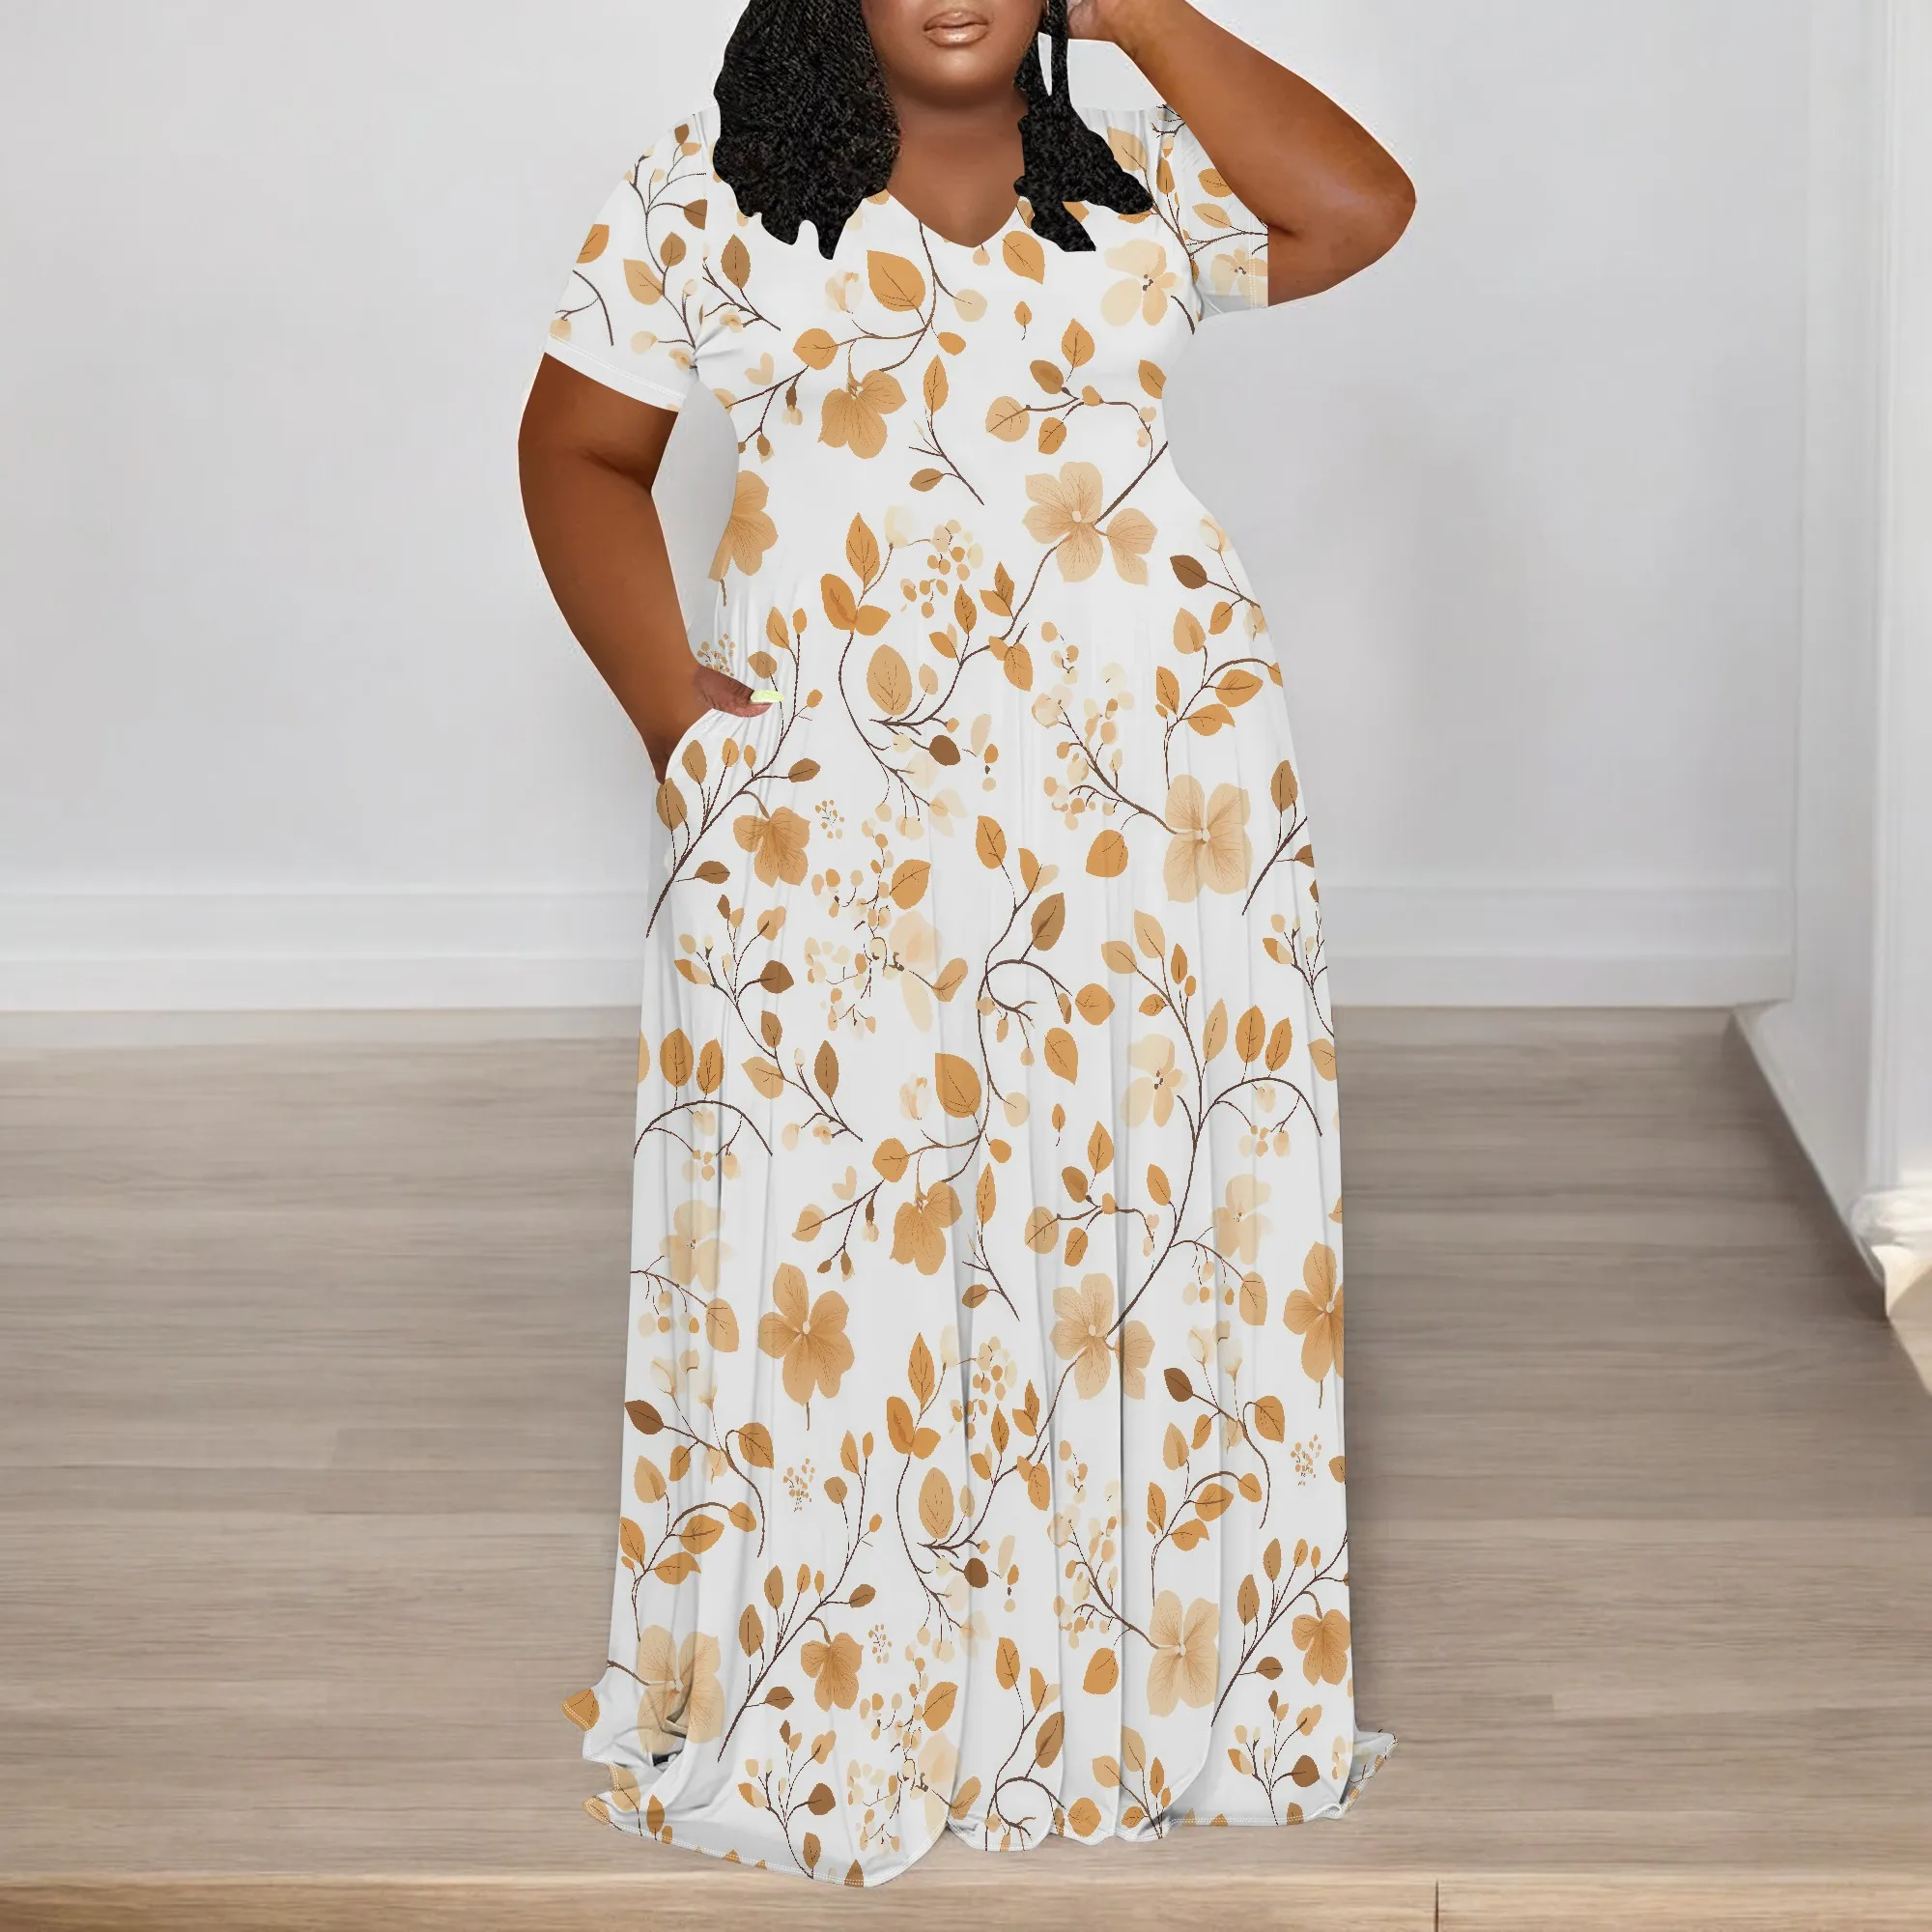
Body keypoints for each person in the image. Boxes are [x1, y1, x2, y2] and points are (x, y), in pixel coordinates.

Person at [519, 0, 1413, 1889]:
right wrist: (675, 715)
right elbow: (579, 449)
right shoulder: (710, 187)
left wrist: (1135, 8)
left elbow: (1355, 210)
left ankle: (1131, 1687)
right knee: (841, 1233)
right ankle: (851, 1681)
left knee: (1126, 1209)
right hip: (827, 809)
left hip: (1152, 797)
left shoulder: (1137, 175)